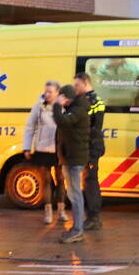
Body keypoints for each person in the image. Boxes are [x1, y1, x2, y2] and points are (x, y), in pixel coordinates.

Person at [22, 81, 67, 224]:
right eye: (46, 91)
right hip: (42, 149)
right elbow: (30, 127)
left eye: (50, 92)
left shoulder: (63, 107)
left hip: (58, 149)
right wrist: (27, 147)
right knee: (46, 181)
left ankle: (61, 211)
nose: (47, 94)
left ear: (57, 93)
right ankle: (48, 213)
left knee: (61, 180)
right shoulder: (38, 106)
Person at [52, 84, 90, 243]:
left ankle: (77, 230)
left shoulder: (77, 110)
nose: (62, 102)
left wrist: (56, 105)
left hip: (74, 159)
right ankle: (77, 228)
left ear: (68, 98)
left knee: (75, 195)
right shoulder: (75, 108)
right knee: (73, 194)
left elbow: (62, 122)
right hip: (70, 157)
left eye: (63, 99)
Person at [74, 72, 104, 230]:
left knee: (90, 182)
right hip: (92, 146)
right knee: (90, 181)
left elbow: (89, 126)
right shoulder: (96, 100)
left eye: (77, 85)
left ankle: (93, 217)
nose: (75, 89)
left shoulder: (89, 102)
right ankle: (93, 216)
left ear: (85, 83)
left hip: (90, 147)